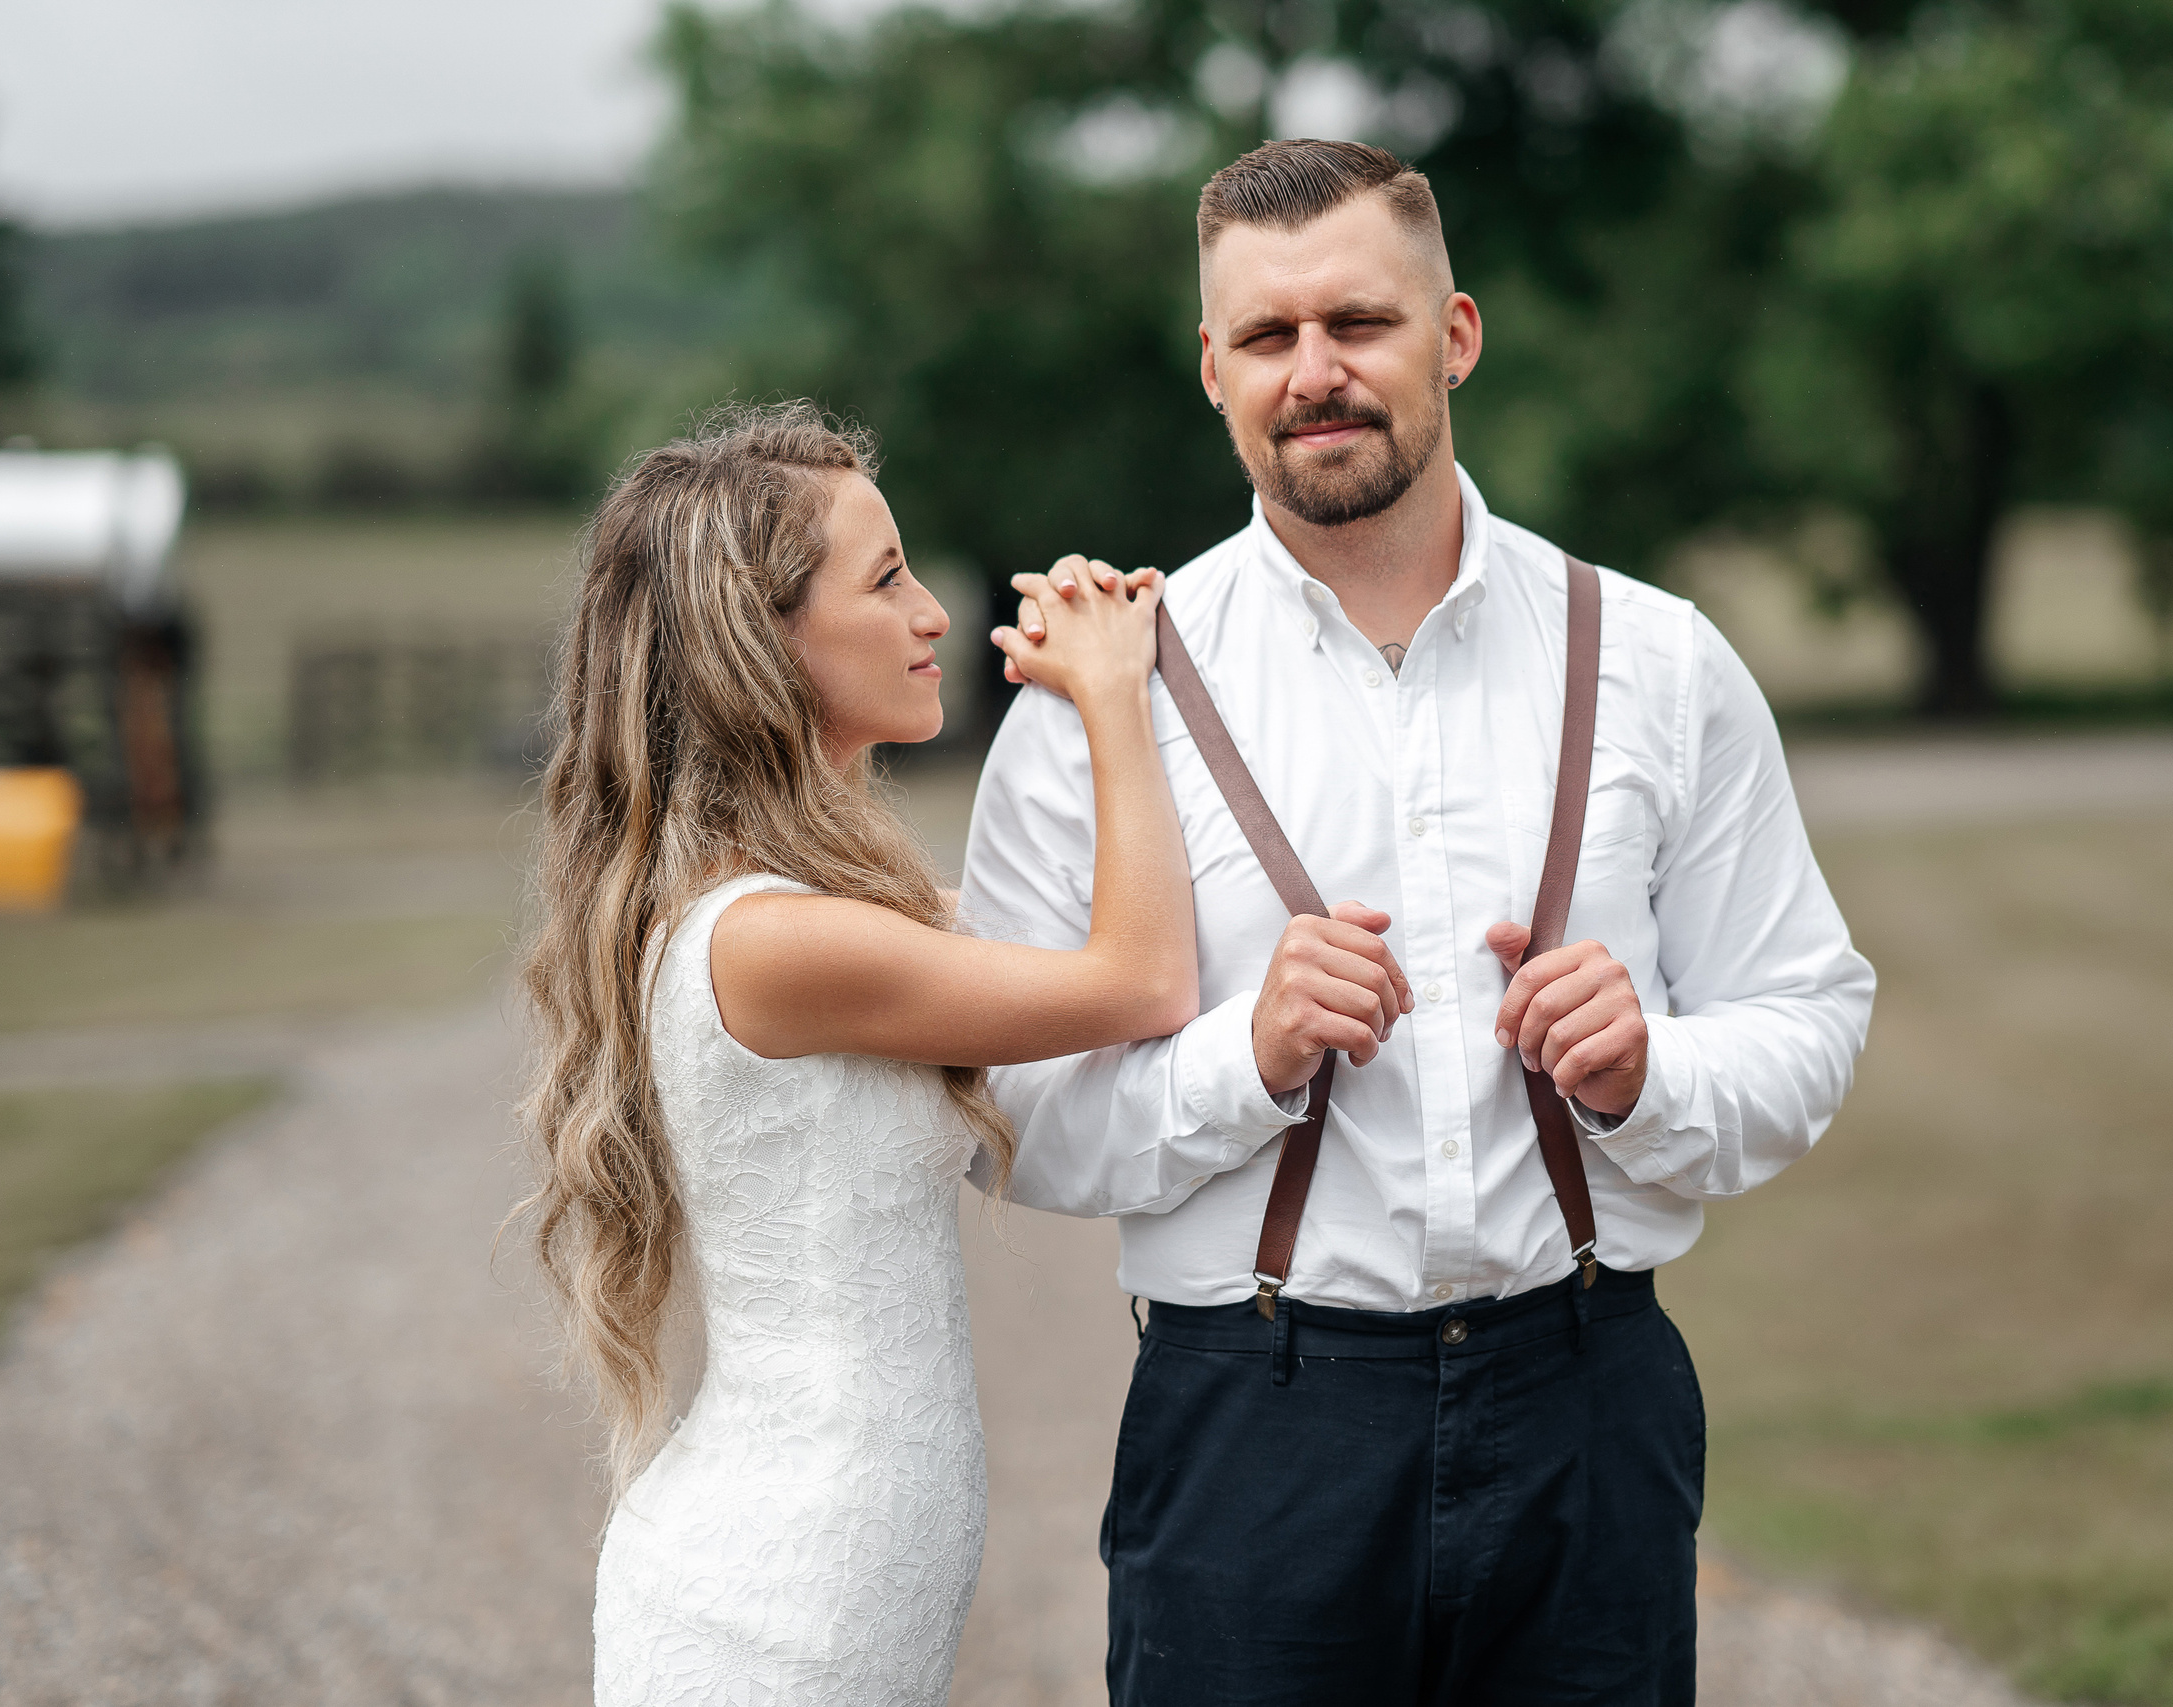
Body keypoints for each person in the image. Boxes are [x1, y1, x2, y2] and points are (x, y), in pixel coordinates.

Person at [962, 140, 1877, 1705]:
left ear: (1453, 335)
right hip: (1256, 1426)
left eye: (1358, 324)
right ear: (1213, 370)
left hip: (1591, 1403)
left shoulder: (1657, 659)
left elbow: (1811, 1015)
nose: (1314, 373)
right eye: (1266, 337)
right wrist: (1238, 1062)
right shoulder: (1102, 696)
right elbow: (1008, 1121)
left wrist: (1648, 1073)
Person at [516, 402, 1190, 1706]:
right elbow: (1140, 977)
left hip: (819, 1586)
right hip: (780, 1609)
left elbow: (1056, 948)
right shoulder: (774, 944)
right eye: (885, 580)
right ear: (758, 645)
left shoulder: (800, 916)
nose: (936, 612)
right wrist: (1112, 701)